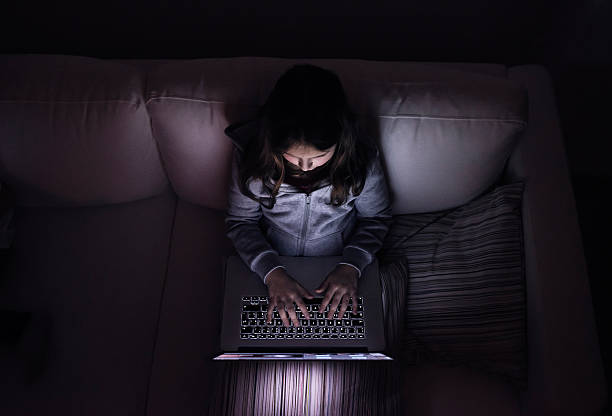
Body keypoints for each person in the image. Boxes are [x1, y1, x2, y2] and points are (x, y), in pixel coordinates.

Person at [224, 63, 392, 329]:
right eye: (292, 157)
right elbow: (240, 222)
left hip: (341, 269)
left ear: (341, 141)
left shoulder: (362, 160)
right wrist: (272, 273)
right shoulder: (252, 158)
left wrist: (351, 266)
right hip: (269, 269)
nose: (305, 168)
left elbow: (376, 219)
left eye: (318, 157)